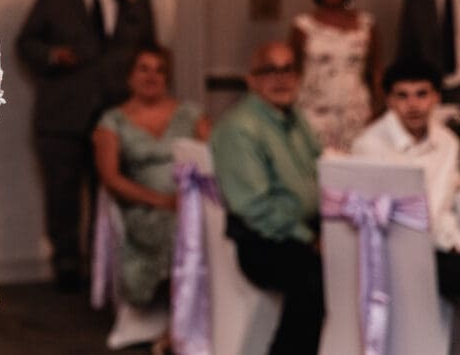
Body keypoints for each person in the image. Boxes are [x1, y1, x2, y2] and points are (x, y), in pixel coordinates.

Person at [17, 0, 156, 291]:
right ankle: (66, 266)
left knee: (112, 193)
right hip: (62, 115)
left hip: (116, 116)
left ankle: (107, 267)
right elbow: (25, 43)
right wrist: (52, 54)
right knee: (62, 194)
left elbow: (150, 50)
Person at [92, 46, 209, 351]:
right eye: (144, 68)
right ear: (130, 76)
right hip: (142, 207)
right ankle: (179, 324)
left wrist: (190, 201)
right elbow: (111, 178)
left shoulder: (191, 114)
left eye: (159, 69)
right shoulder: (112, 121)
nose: (152, 76)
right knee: (175, 229)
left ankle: (197, 320)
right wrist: (160, 201)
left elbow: (213, 161)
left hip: (193, 204)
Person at [210, 41, 324, 355]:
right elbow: (255, 208)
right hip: (262, 241)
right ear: (252, 79)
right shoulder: (240, 128)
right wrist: (310, 239)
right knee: (313, 282)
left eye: (288, 69)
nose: (281, 78)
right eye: (270, 70)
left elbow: (319, 172)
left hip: (303, 228)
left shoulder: (295, 118)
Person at [352, 58, 460, 298]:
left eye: (421, 94)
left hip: (439, 243)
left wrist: (454, 241)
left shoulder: (446, 142)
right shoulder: (369, 146)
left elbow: (442, 206)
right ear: (389, 100)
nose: (413, 104)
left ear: (436, 98)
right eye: (403, 96)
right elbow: (377, 217)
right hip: (394, 251)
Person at [290, 0, 381, 153]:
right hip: (314, 110)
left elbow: (375, 70)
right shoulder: (303, 26)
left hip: (355, 110)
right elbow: (293, 71)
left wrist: (378, 108)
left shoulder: (366, 25)